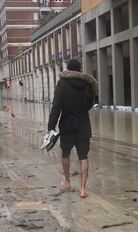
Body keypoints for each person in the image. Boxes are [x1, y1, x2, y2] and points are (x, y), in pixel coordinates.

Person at [47, 59, 98, 198]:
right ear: (80, 70)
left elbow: (56, 106)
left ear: (68, 69)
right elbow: (90, 104)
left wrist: (51, 126)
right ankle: (82, 190)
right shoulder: (88, 84)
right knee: (83, 156)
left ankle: (68, 181)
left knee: (65, 153)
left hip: (67, 125)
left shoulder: (62, 83)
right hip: (83, 125)